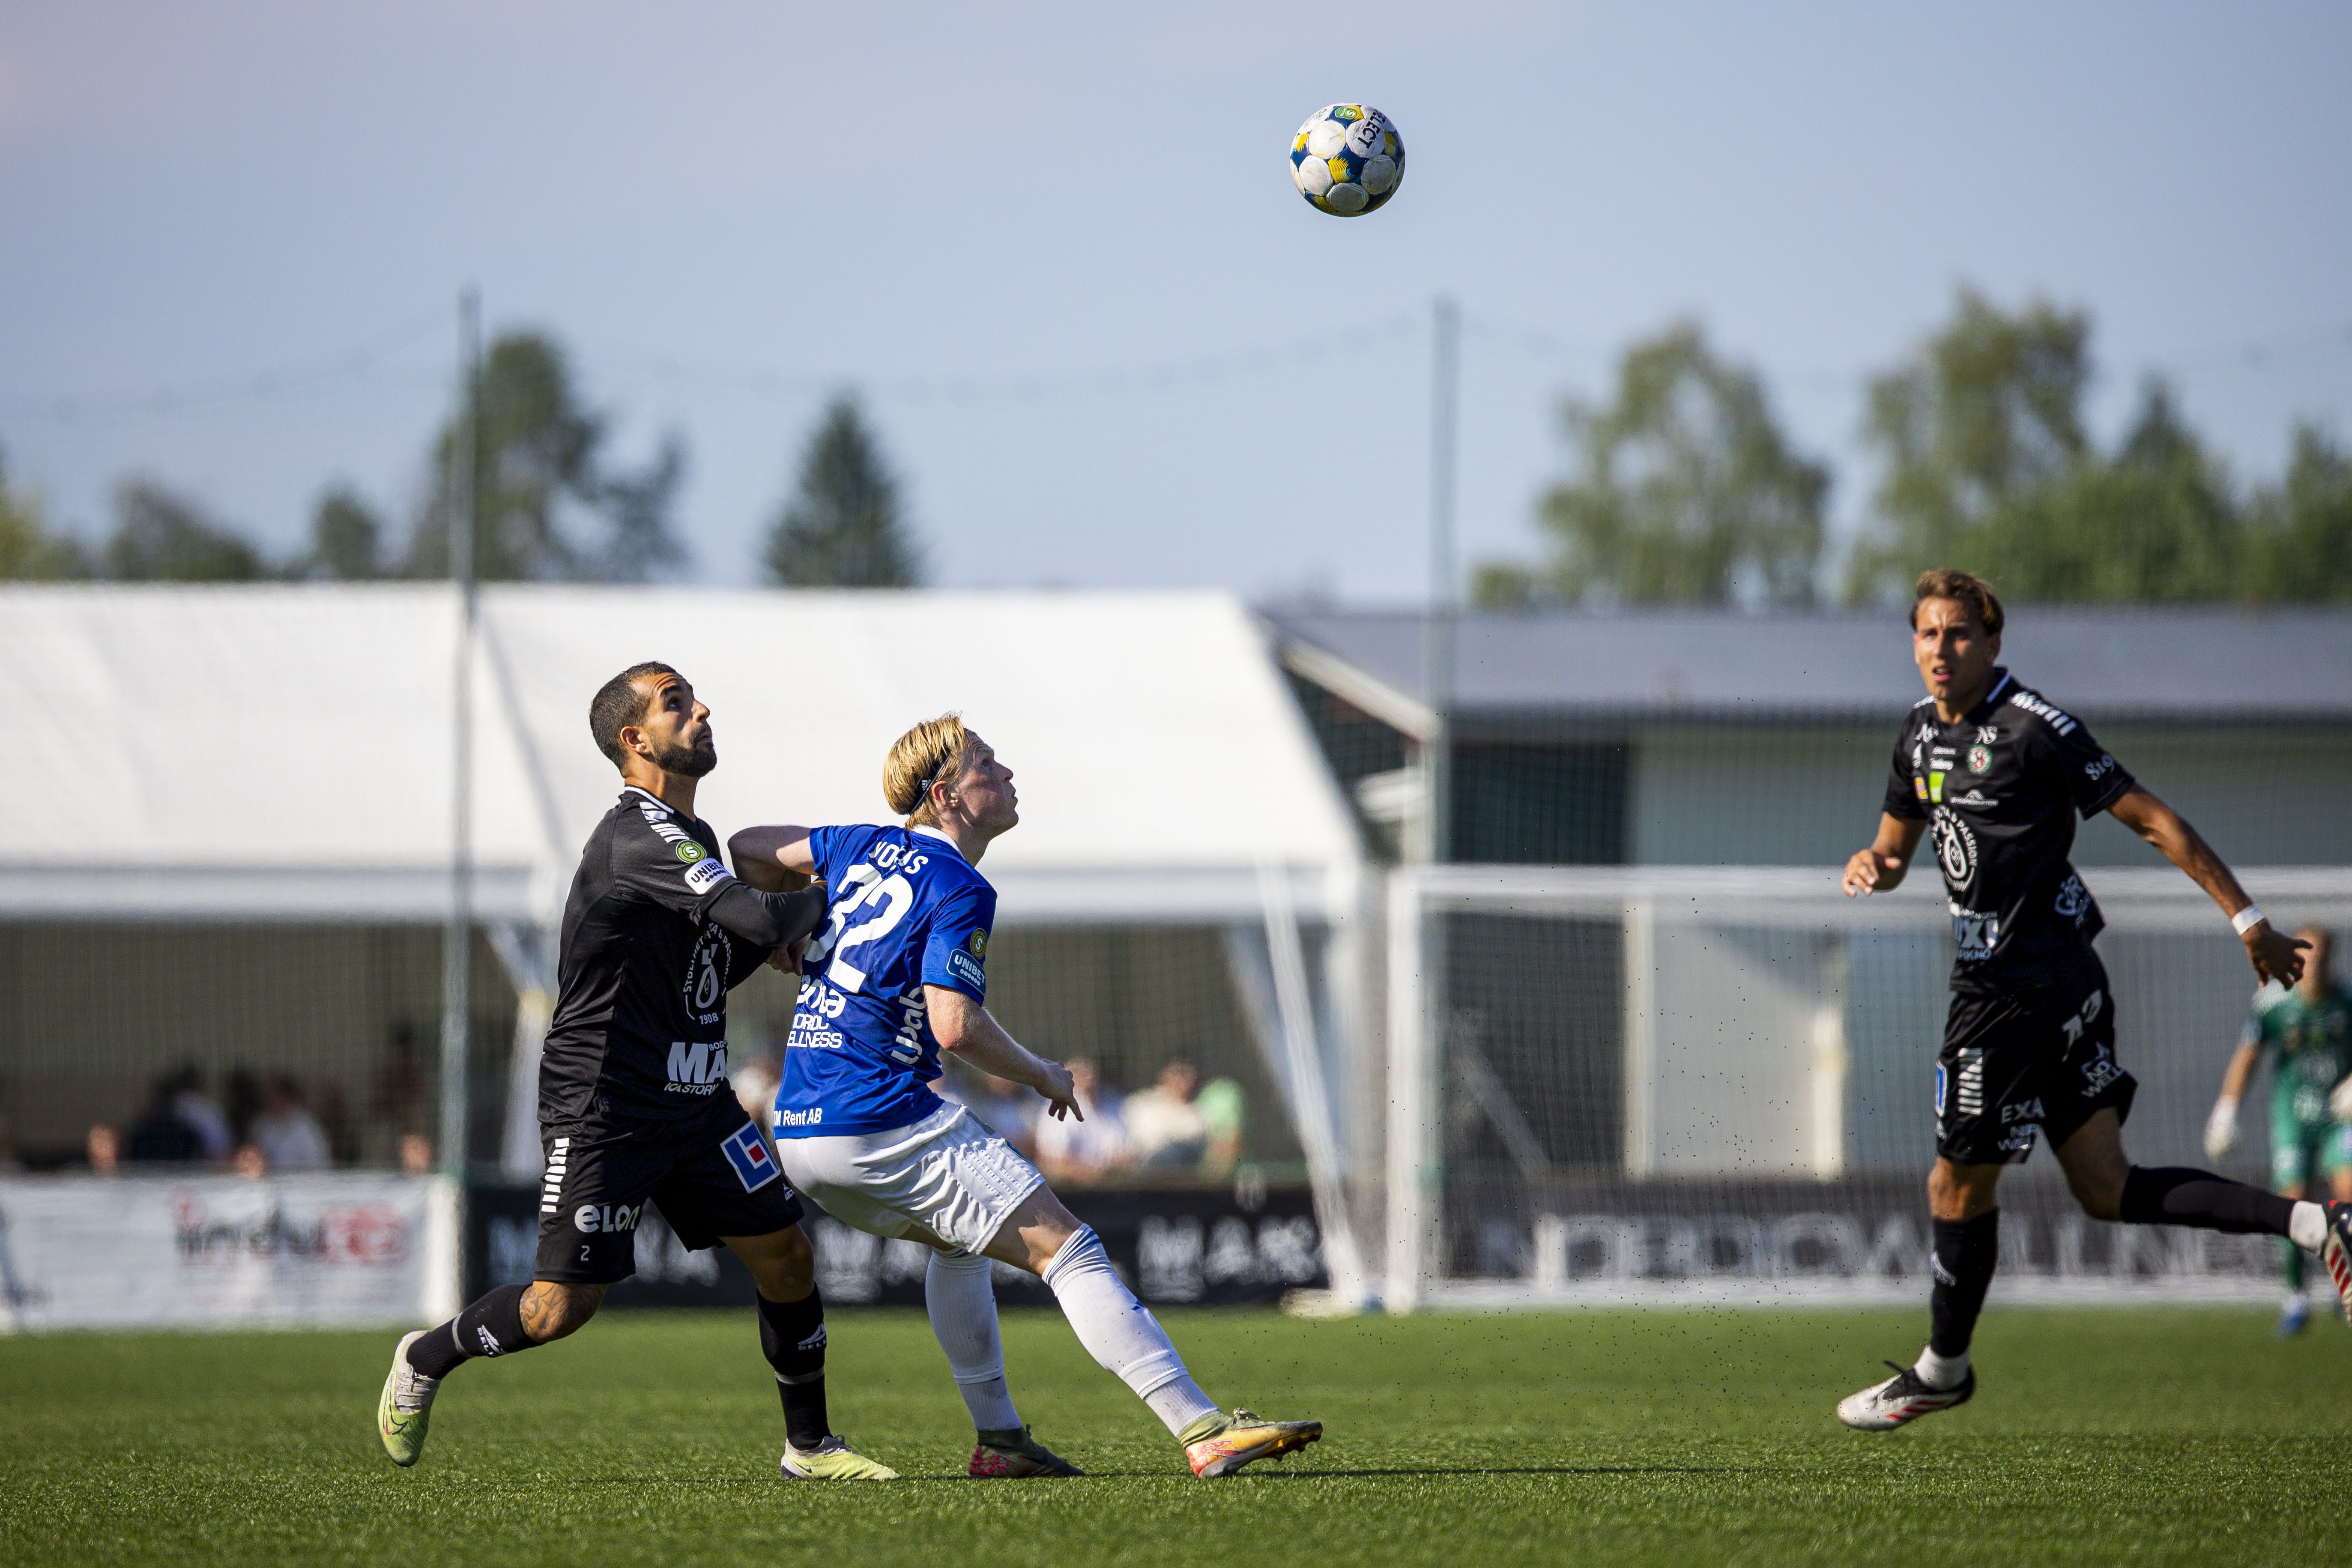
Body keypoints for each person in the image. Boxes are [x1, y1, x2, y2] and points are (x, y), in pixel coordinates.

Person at [731, 714, 1322, 1479]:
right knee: (1069, 1249)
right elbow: (954, 1026)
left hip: (802, 1129)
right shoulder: (958, 883)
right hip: (874, 1115)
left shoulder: (853, 846)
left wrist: (785, 916)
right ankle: (1202, 1429)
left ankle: (1001, 1441)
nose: (1006, 775)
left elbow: (745, 845)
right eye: (987, 765)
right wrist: (1042, 1072)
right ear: (945, 795)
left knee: (958, 1245)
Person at [1834, 570, 2341, 1431]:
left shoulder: (2036, 731)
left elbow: (2152, 818)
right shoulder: (1917, 739)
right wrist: (1873, 866)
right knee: (2107, 1187)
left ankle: (1942, 1370)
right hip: (2060, 983)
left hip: (2015, 993)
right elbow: (1894, 849)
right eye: (1927, 635)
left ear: (1994, 643)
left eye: (1959, 634)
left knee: (1954, 1185)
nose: (1941, 650)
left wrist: (2248, 919)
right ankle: (2319, 1226)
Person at [377, 662, 894, 1480]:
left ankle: (810, 1447)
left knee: (786, 1254)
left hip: (695, 1102)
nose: (701, 710)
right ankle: (428, 1354)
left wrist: (767, 943)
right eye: (676, 703)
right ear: (634, 739)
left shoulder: (694, 843)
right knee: (557, 1311)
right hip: (604, 1106)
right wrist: (854, 887)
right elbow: (758, 913)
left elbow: (715, 964)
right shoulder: (637, 835)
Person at [2205, 926, 2352, 1334]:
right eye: (2307, 956)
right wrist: (2226, 1109)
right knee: (2293, 1200)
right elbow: (2246, 1057)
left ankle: (2349, 1289)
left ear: (2333, 959)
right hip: (2293, 1117)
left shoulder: (2347, 1002)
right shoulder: (2273, 1003)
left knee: (2349, 1191)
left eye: (2322, 956)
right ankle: (2295, 1297)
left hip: (2340, 1118)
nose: (2314, 964)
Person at [1033, 1058, 1129, 1185]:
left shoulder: (1112, 1105)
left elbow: (1127, 1154)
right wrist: (1095, 1177)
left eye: (1092, 1075)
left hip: (1114, 1186)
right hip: (1072, 1190)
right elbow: (1053, 1162)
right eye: (1081, 1074)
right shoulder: (1058, 1110)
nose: (1090, 1078)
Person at [1124, 1059, 1208, 1169]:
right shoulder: (1142, 1102)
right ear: (1164, 1075)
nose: (1183, 1080)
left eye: (1187, 1075)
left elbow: (1195, 1138)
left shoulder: (1195, 1111)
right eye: (1178, 1073)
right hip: (1147, 1166)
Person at [248, 1077, 332, 1173]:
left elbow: (318, 1165)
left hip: (300, 1184)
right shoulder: (262, 1124)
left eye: (278, 1096)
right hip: (268, 1184)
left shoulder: (307, 1127)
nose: (274, 1101)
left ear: (288, 1098)